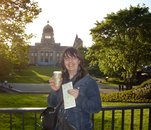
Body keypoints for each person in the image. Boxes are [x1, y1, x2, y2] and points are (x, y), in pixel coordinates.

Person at [48, 47, 102, 130]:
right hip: (59, 126)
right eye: (67, 58)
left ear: (79, 61)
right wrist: (55, 91)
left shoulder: (88, 81)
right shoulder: (61, 80)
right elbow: (52, 104)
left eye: (73, 58)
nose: (70, 61)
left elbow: (96, 107)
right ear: (63, 62)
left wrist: (79, 98)